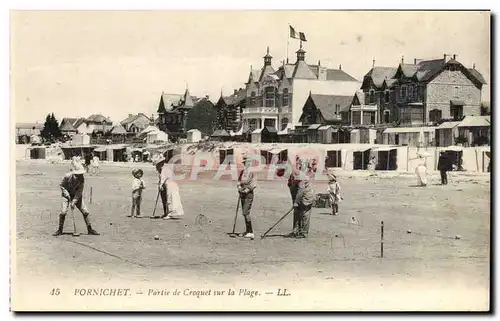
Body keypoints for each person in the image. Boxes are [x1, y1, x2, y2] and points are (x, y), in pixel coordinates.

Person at [53, 159, 99, 236]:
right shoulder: (67, 176)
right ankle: (60, 230)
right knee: (63, 212)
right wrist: (66, 194)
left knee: (85, 211)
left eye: (81, 175)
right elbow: (62, 185)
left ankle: (90, 229)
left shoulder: (82, 180)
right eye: (78, 175)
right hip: (66, 195)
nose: (80, 176)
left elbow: (79, 192)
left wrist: (74, 201)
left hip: (76, 196)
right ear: (74, 174)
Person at [237, 153, 257, 239]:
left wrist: (246, 190)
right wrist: (238, 187)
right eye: (244, 162)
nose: (245, 164)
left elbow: (254, 184)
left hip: (248, 194)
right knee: (244, 213)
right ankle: (247, 231)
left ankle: (251, 232)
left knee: (246, 212)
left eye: (246, 162)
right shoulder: (242, 171)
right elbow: (239, 180)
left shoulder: (253, 171)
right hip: (242, 193)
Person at [293, 168, 315, 239]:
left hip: (306, 200)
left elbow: (300, 192)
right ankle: (302, 231)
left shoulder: (302, 181)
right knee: (305, 215)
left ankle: (304, 232)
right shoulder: (305, 177)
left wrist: (296, 202)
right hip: (309, 198)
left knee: (305, 216)